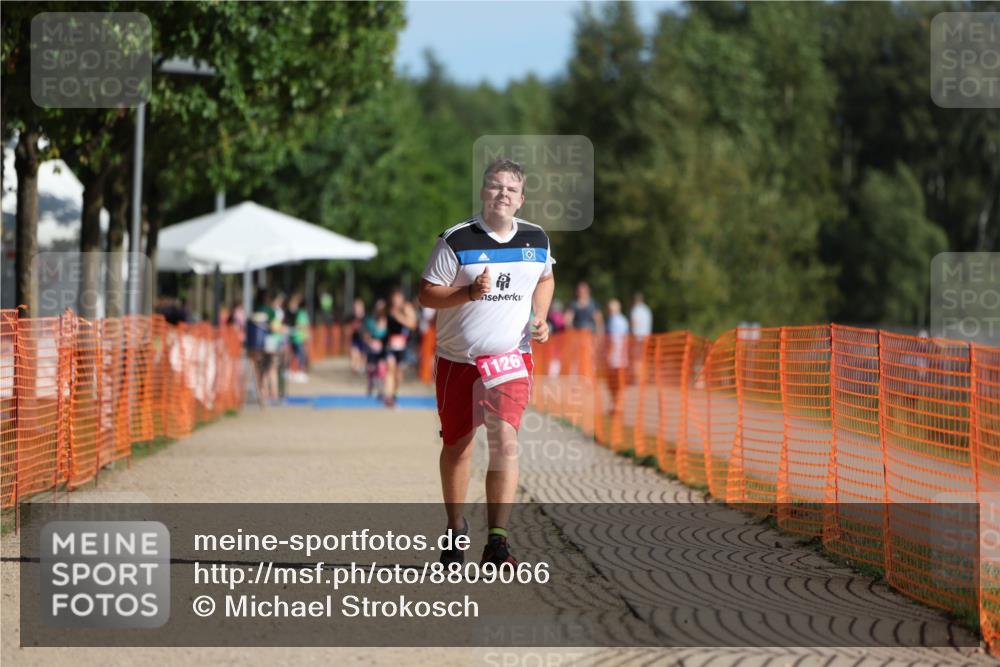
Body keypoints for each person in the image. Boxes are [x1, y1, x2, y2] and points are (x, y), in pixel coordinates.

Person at [419, 158, 555, 568]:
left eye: (511, 190)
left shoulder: (537, 238)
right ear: (483, 192)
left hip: (511, 357)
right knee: (458, 446)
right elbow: (427, 294)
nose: (503, 195)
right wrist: (467, 295)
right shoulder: (456, 240)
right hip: (457, 360)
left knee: (505, 441)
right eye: (496, 187)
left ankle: (497, 541)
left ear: (521, 199)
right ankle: (456, 527)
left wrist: (542, 317)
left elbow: (545, 278)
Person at [383, 288, 418, 407]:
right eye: (394, 299)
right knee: (390, 368)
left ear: (402, 299)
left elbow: (413, 325)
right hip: (390, 344)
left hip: (403, 346)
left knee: (398, 372)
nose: (395, 301)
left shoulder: (406, 309)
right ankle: (388, 396)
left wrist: (399, 317)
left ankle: (395, 393)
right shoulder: (388, 309)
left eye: (398, 298)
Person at [605, 298, 629, 414]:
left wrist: (609, 355)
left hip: (615, 358)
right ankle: (617, 405)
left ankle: (616, 405)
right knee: (618, 383)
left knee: (614, 383)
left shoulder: (614, 321)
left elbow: (614, 340)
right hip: (622, 357)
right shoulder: (623, 320)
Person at [286, 292, 311, 382]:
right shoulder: (300, 314)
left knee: (298, 355)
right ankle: (297, 372)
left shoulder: (301, 313)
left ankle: (297, 371)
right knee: (299, 355)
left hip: (299, 337)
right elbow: (303, 326)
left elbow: (304, 326)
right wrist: (306, 336)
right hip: (298, 338)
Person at [348, 298, 367, 375]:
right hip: (355, 339)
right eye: (355, 307)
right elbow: (347, 327)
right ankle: (354, 368)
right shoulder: (351, 317)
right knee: (354, 353)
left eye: (359, 307)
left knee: (362, 355)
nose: (357, 308)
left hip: (364, 339)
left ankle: (361, 366)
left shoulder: (366, 316)